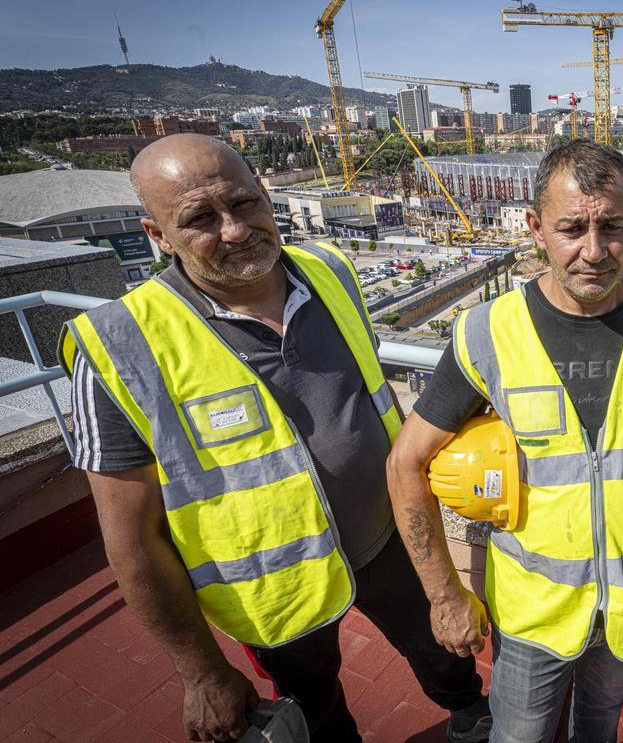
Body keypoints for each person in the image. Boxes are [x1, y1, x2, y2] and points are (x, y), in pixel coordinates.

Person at [60, 134, 491, 743]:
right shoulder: (120, 349)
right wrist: (201, 671)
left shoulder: (328, 273)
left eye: (242, 204)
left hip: (389, 536)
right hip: (275, 588)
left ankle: (470, 713)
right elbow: (132, 544)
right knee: (314, 705)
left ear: (266, 195)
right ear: (157, 234)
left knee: (442, 648)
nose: (234, 231)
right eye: (199, 219)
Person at [387, 139, 623, 743]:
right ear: (534, 226)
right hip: (535, 612)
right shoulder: (488, 332)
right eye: (572, 228)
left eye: (613, 227)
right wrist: (444, 596)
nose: (594, 251)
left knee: (598, 727)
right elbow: (405, 464)